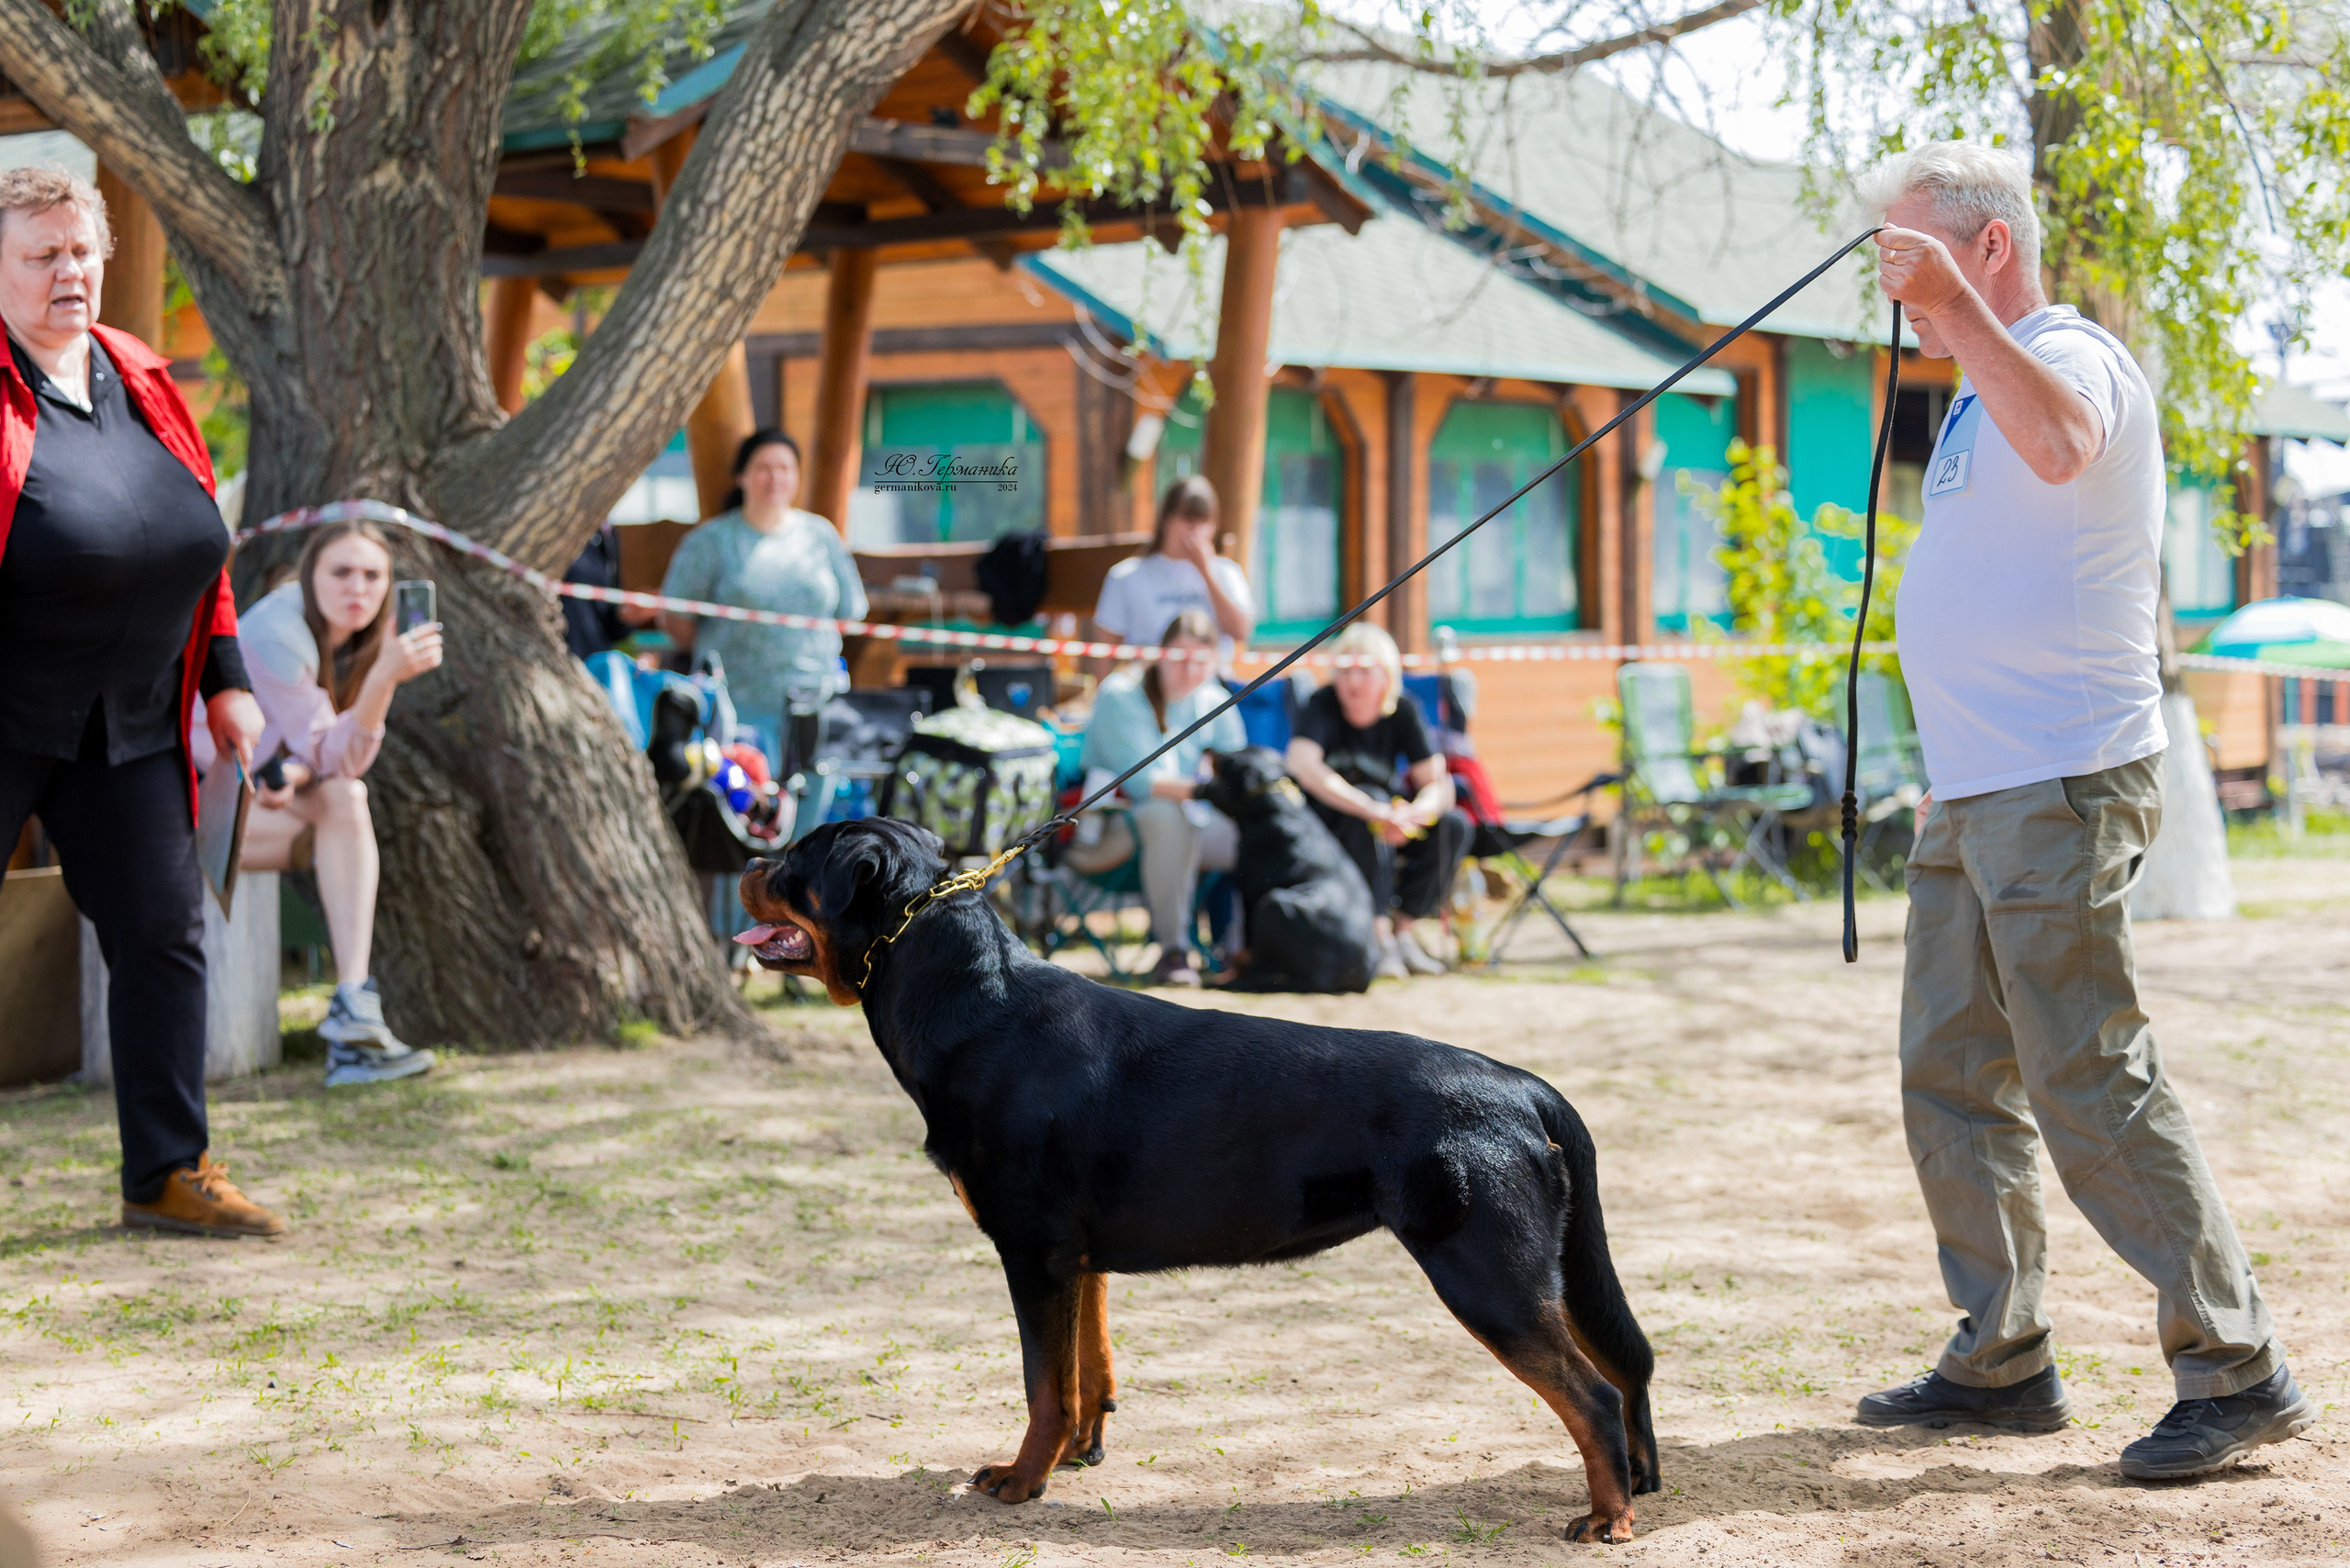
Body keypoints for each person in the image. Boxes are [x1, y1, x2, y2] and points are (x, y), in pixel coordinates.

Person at [1856, 141, 2308, 1477]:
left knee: (2088, 1073)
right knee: (1951, 1075)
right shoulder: (1971, 389)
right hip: (1975, 786)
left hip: (2059, 779)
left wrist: (1963, 312)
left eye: (1912, 249)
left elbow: (2062, 447)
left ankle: (2237, 1364)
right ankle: (2001, 1356)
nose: (1893, 277)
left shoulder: (2071, 359)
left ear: (1989, 247)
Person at [0, 165, 283, 1238]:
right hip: (7, 708)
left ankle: (166, 1173)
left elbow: (196, 544)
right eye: (40, 255)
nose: (67, 273)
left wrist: (227, 679)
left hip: (128, 718)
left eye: (80, 252)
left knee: (165, 934)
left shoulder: (143, 374)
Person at [226, 518, 443, 1088]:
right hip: (195, 819)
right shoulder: (278, 634)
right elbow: (338, 753)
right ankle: (352, 1020)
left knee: (345, 799)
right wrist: (383, 681)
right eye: (341, 572)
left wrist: (297, 768)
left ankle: (352, 1005)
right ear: (308, 576)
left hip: (257, 802)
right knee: (345, 794)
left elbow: (318, 756)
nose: (358, 589)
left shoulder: (345, 637)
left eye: (373, 575)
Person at [659, 429, 867, 767]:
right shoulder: (711, 541)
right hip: (738, 709)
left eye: (785, 468)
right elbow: (675, 617)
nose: (775, 478)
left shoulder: (821, 535)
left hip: (817, 703)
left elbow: (850, 612)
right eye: (763, 468)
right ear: (741, 476)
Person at [1286, 621, 1472, 980]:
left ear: (1386, 675)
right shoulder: (1320, 705)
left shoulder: (1403, 709)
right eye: (1344, 671)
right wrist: (1374, 810)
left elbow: (1438, 784)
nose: (1352, 683)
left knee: (1453, 826)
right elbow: (1303, 765)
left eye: (1362, 672)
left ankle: (1404, 931)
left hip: (1390, 819)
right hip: (1335, 821)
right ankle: (1377, 935)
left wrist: (1417, 814)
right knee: (1367, 807)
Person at [1072, 609, 1247, 987]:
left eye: (1200, 661)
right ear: (1160, 652)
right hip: (1108, 831)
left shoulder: (1214, 698)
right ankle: (1174, 951)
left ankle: (1247, 949)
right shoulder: (1121, 694)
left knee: (1256, 830)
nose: (1190, 671)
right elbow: (1143, 785)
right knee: (1166, 815)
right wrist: (1209, 790)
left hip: (1191, 826)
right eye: (1180, 657)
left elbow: (1239, 769)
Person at [1092, 476, 1255, 663]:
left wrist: (1205, 571)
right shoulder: (1126, 576)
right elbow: (1105, 652)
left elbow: (1241, 631)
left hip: (1210, 685)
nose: (1196, 530)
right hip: (1146, 686)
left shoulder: (1226, 572)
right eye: (1188, 519)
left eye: (1204, 521)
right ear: (1165, 519)